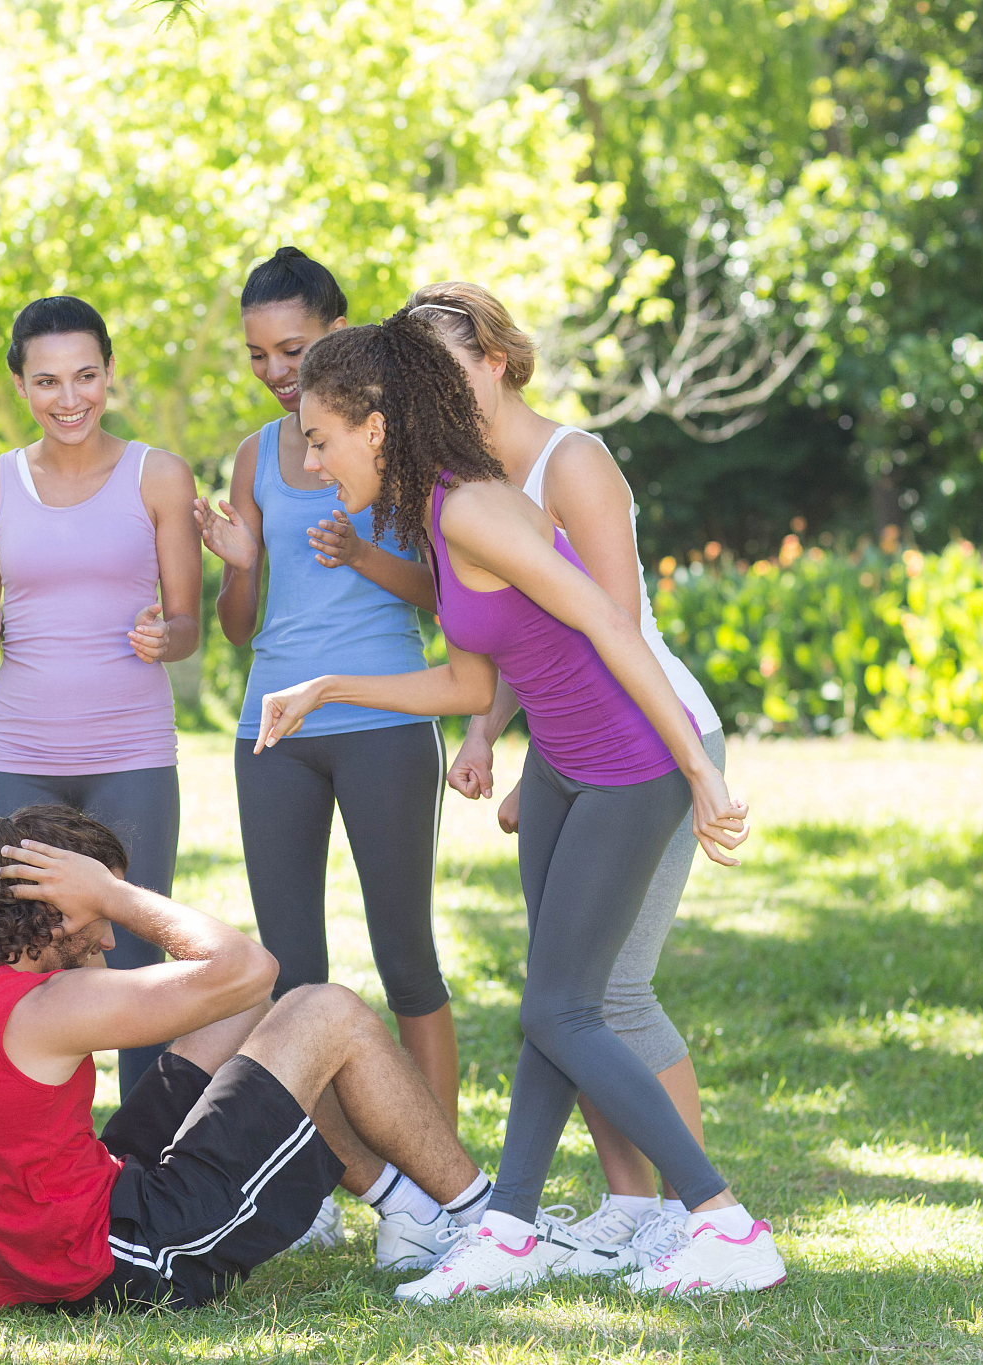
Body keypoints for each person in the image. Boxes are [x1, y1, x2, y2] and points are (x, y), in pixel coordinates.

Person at [255, 311, 786, 1299]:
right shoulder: (435, 509)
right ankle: (508, 1232)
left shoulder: (473, 509)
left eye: (320, 439)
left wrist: (699, 769)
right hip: (557, 770)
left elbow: (610, 622)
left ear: (375, 427)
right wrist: (327, 687)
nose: (314, 462)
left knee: (562, 1007)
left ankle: (723, 1223)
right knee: (552, 1002)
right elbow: (467, 683)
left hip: (626, 766)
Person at [411, 280, 728, 1275]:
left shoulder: (572, 462)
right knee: (567, 988)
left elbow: (607, 627)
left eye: (449, 370)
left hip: (651, 733)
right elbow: (523, 635)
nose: (435, 395)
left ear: (497, 359)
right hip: (572, 747)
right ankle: (631, 1204)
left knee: (607, 991)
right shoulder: (462, 483)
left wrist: (572, 762)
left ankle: (695, 1213)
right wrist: (493, 737)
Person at [0, 804, 494, 1310]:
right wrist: (112, 893)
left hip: (32, 1261)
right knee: (328, 1010)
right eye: (102, 912)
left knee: (246, 1015)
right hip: (120, 1263)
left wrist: (89, 908)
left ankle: (410, 1214)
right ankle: (489, 1222)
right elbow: (250, 967)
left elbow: (237, 997)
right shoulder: (46, 1008)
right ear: (54, 910)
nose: (111, 936)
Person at [195, 248, 466, 1267]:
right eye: (258, 354)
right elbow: (238, 626)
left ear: (338, 336)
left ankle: (441, 1185)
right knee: (288, 972)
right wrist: (237, 566)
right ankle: (318, 1176)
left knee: (405, 958)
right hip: (272, 730)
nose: (274, 371)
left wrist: (362, 555)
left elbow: (449, 596)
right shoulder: (255, 457)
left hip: (385, 720)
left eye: (293, 348)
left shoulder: (399, 444)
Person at [0, 295, 202, 1099]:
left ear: (110, 373)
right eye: (48, 380)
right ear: (21, 384)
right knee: (9, 955)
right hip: (20, 755)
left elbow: (189, 624)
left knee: (136, 960)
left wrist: (167, 635)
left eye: (86, 376)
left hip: (132, 754)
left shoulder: (159, 475)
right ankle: (27, 1141)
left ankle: (146, 1157)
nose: (70, 398)